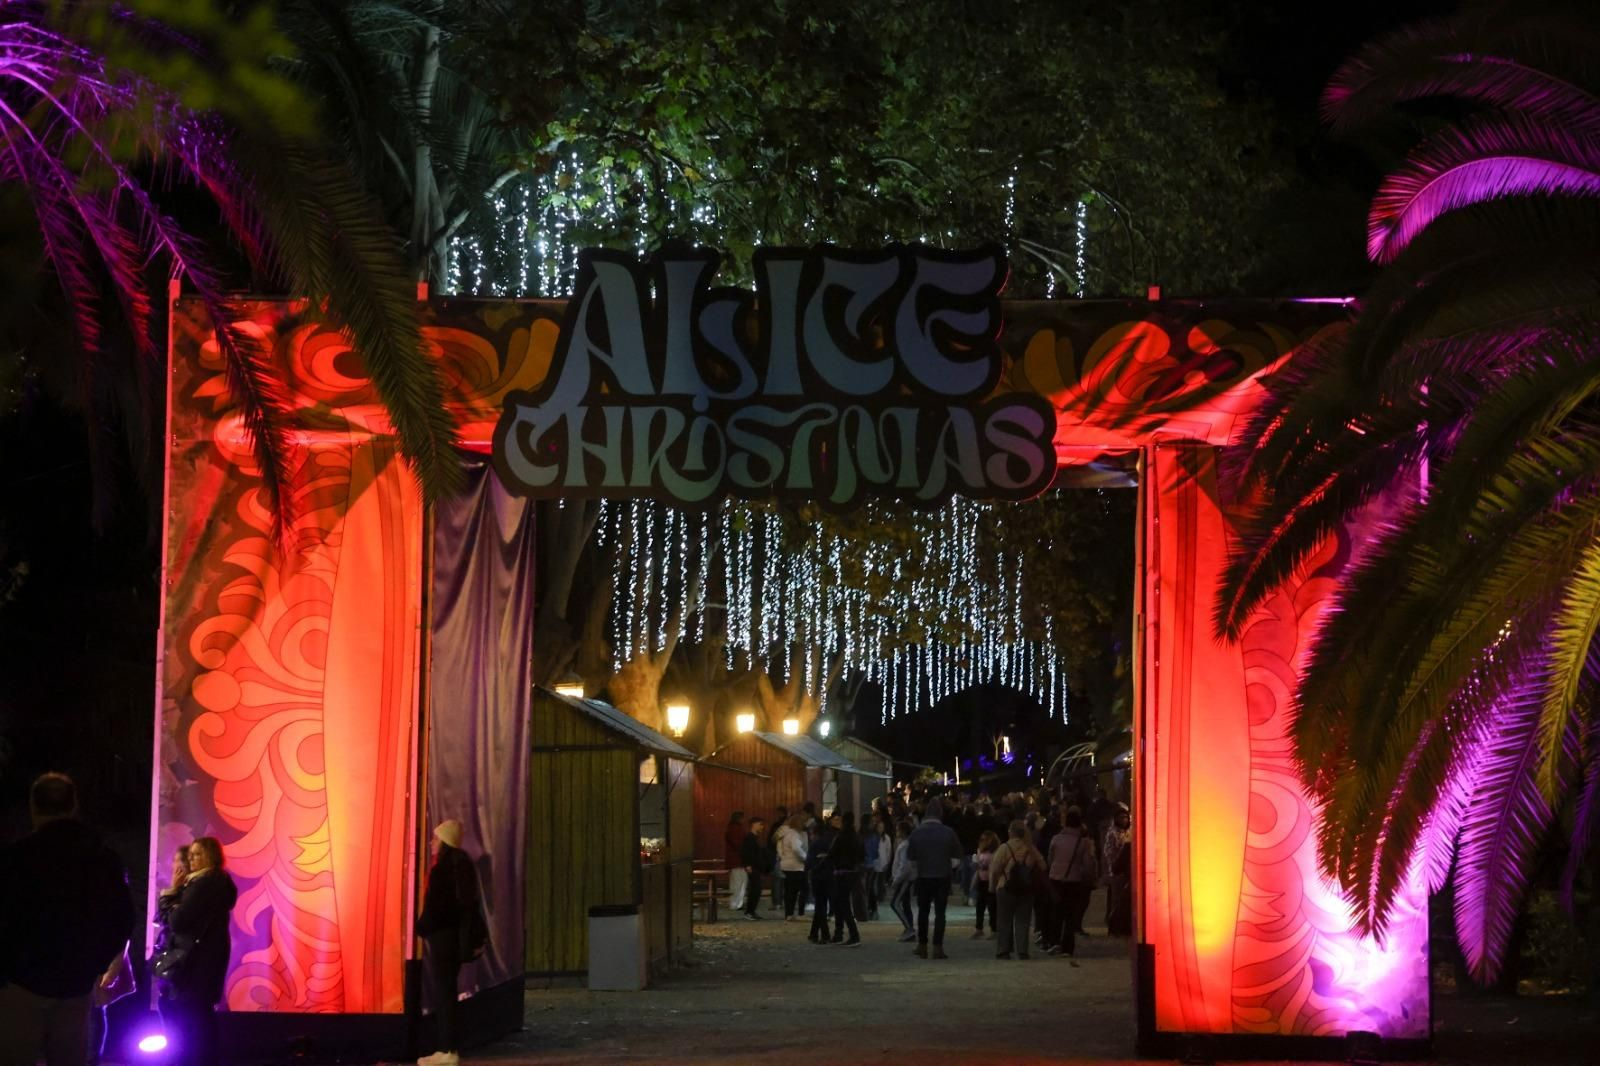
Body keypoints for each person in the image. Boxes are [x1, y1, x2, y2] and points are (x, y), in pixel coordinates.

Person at [0, 773, 134, 1066]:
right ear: (74, 806)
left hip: (21, 982)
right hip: (76, 982)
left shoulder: (14, 858)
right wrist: (94, 964)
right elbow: (123, 919)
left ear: (33, 807)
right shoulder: (102, 858)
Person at [158, 835, 239, 1066]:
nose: (191, 859)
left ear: (212, 856)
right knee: (200, 1018)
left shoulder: (205, 883)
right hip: (204, 961)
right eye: (190, 854)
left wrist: (170, 895)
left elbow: (175, 922)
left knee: (190, 1019)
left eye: (197, 854)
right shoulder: (218, 882)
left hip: (194, 964)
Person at [415, 820, 483, 1066]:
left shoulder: (444, 868)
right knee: (446, 992)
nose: (432, 842)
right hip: (452, 938)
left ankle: (447, 1049)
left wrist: (421, 927)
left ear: (444, 841)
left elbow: (439, 907)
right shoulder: (460, 864)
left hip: (443, 938)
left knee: (444, 994)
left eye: (435, 838)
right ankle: (447, 1047)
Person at [905, 799, 963, 959]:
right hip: (942, 877)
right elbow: (957, 857)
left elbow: (910, 859)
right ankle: (938, 947)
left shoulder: (917, 832)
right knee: (940, 913)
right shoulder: (948, 832)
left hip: (923, 877)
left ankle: (922, 945)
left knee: (923, 912)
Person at [1048, 808, 1098, 963]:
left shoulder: (1056, 839)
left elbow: (1050, 858)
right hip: (1074, 880)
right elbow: (1087, 864)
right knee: (1070, 915)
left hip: (1056, 879)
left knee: (1056, 913)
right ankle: (1067, 947)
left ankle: (1053, 942)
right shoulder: (1082, 842)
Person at [990, 820, 1045, 960]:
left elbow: (995, 869)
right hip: (1026, 888)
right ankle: (1022, 950)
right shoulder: (1030, 848)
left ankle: (1004, 950)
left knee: (1004, 920)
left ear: (1011, 832)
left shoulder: (1004, 848)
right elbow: (1043, 866)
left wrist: (992, 885)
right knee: (1023, 921)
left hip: (1006, 887)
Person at [829, 813, 863, 946]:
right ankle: (841, 934)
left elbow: (832, 853)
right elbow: (861, 855)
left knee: (841, 903)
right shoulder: (856, 837)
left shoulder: (841, 837)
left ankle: (850, 934)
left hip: (841, 872)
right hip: (853, 872)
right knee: (842, 902)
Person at [806, 815, 836, 944]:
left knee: (820, 906)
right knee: (822, 905)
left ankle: (824, 934)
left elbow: (809, 862)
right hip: (831, 876)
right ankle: (814, 933)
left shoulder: (815, 844)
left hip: (818, 876)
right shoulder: (832, 841)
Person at [887, 818, 917, 942]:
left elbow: (904, 866)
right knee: (904, 904)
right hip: (905, 878)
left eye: (898, 830)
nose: (896, 832)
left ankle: (909, 928)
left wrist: (896, 880)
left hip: (904, 879)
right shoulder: (905, 844)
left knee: (894, 903)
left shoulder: (905, 845)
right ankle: (909, 928)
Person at [776, 813, 808, 920]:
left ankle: (789, 914)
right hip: (796, 866)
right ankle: (801, 913)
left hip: (786, 865)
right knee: (804, 889)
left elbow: (779, 848)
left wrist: (783, 857)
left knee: (790, 891)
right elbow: (796, 849)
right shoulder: (795, 834)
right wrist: (805, 858)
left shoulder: (785, 834)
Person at [970, 830, 999, 939]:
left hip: (992, 881)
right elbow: (978, 866)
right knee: (980, 905)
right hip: (982, 880)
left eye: (985, 839)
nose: (983, 841)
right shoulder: (980, 851)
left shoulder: (996, 852)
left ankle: (994, 930)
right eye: (982, 839)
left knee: (992, 907)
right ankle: (979, 928)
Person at [739, 818, 766, 920]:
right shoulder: (750, 838)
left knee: (756, 890)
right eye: (760, 824)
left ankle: (751, 911)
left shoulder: (753, 838)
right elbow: (746, 853)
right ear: (754, 825)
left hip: (755, 866)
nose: (762, 827)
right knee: (755, 890)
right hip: (753, 867)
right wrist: (748, 865)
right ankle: (750, 912)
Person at [724, 812, 748, 913]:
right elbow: (739, 844)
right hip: (738, 860)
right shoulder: (737, 829)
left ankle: (737, 903)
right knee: (739, 882)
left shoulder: (731, 828)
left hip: (735, 860)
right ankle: (736, 903)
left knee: (737, 882)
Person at [766, 806, 788, 911]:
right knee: (785, 881)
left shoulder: (778, 827)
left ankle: (777, 902)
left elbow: (771, 841)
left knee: (777, 880)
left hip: (778, 856)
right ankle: (784, 902)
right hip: (789, 858)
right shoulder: (792, 829)